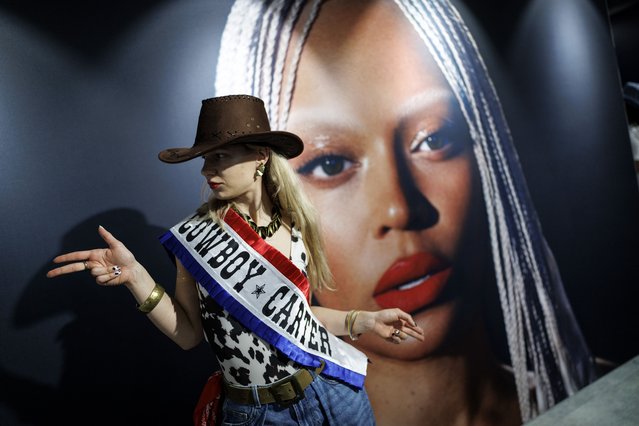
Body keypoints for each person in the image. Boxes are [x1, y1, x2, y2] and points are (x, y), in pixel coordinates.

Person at [213, 0, 598, 425]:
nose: (400, 208)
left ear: (489, 152)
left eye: (434, 139)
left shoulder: (607, 399)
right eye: (330, 164)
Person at [47, 94, 425, 425]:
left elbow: (300, 319)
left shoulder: (296, 226)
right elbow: (188, 335)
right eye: (205, 159)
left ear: (260, 158)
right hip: (256, 414)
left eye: (220, 158)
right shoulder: (196, 238)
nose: (207, 170)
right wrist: (134, 277)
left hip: (331, 395)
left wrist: (366, 320)